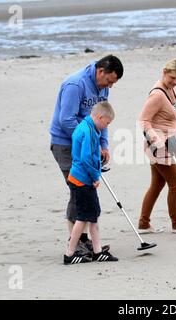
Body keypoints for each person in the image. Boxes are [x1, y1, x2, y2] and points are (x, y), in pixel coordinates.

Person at [50, 55, 124, 255]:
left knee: (84, 192)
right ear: (101, 71)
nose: (109, 87)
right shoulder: (76, 84)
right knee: (78, 190)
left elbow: (103, 117)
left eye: (113, 84)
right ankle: (76, 244)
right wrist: (90, 142)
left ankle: (83, 241)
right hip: (65, 144)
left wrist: (103, 145)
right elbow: (66, 120)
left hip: (87, 143)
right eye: (109, 81)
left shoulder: (103, 88)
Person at [137, 58, 176, 234]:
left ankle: (144, 224)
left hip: (170, 142)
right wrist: (156, 140)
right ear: (164, 71)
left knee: (157, 184)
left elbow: (172, 113)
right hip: (159, 145)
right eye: (172, 78)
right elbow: (143, 120)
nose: (175, 82)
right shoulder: (158, 94)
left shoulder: (170, 90)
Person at [64, 102, 118, 264]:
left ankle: (97, 251)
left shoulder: (86, 127)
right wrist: (95, 176)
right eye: (107, 123)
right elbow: (86, 158)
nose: (105, 127)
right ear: (100, 117)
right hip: (82, 181)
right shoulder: (88, 131)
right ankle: (70, 253)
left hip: (80, 178)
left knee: (93, 216)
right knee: (83, 218)